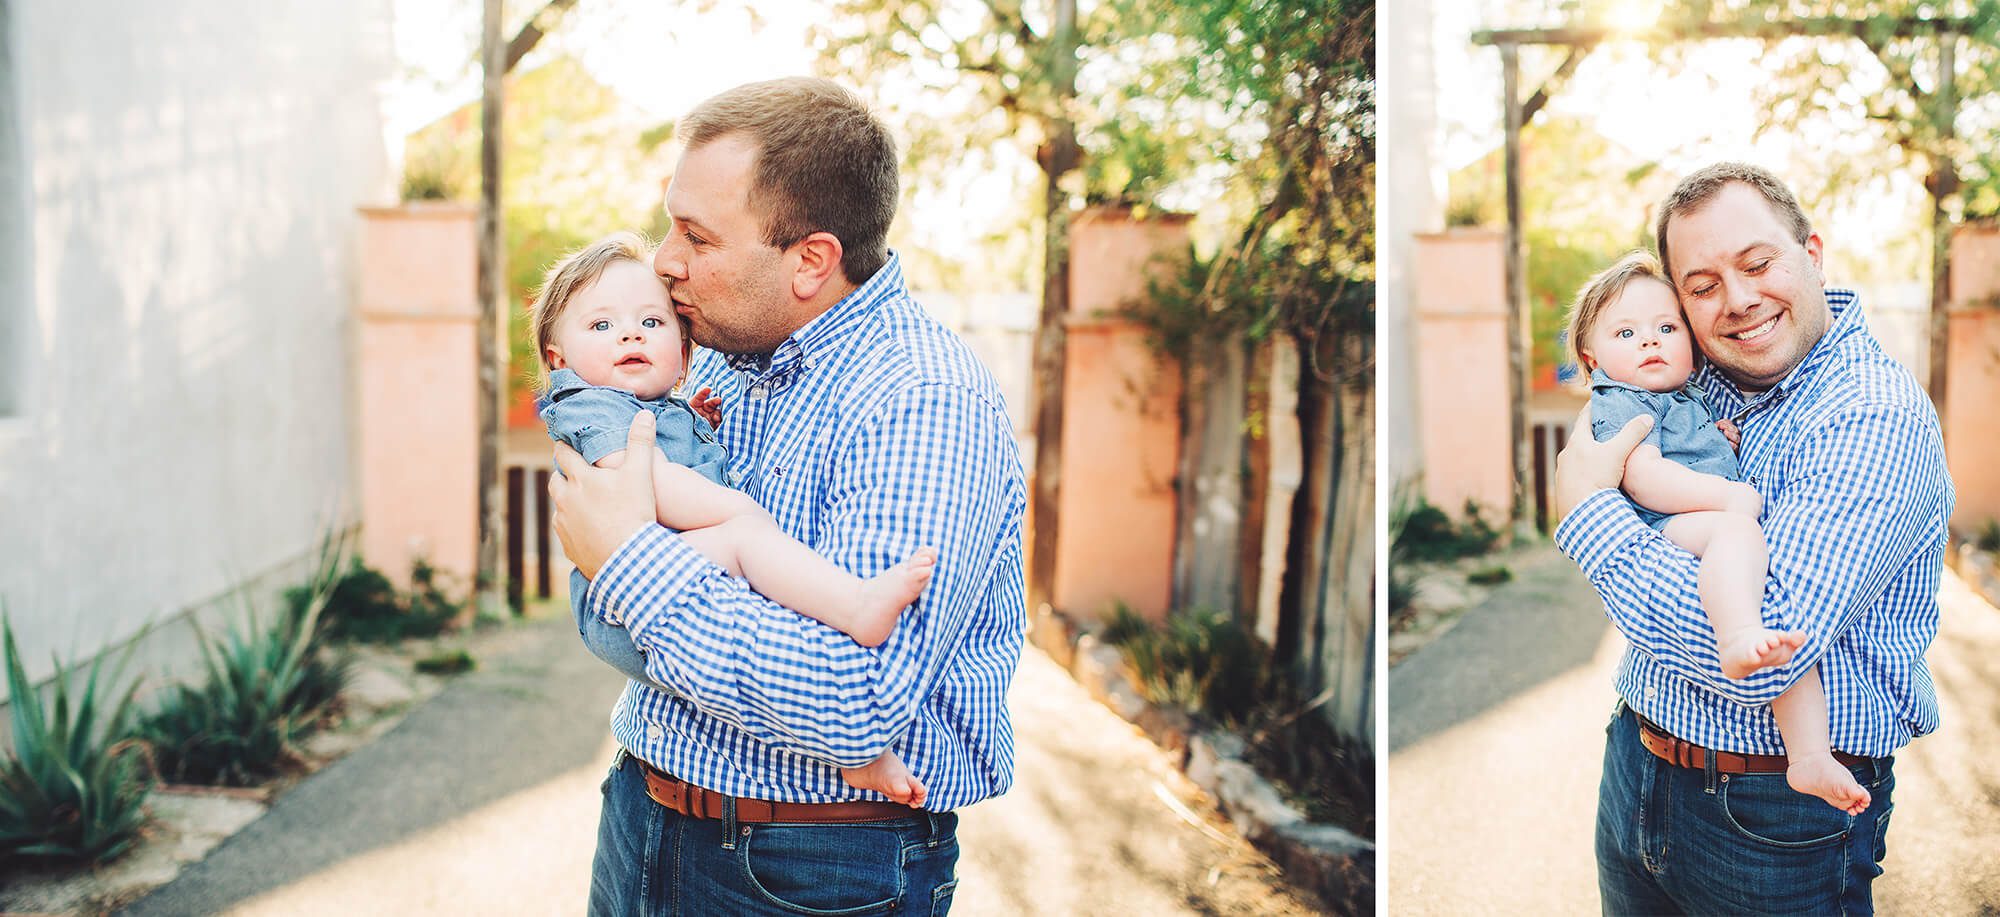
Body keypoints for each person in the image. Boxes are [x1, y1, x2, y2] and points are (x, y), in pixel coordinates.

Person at [548, 77, 1026, 916]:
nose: (664, 260)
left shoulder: (920, 400)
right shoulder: (725, 350)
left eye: (696, 235)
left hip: (807, 866)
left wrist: (628, 560)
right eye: (671, 223)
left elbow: (858, 701)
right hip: (644, 816)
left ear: (811, 260)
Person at [1553, 162, 1952, 915]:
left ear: (1813, 251)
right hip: (1638, 763)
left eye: (1758, 263)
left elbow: (1769, 657)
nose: (1737, 299)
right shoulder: (1695, 381)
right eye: (1700, 286)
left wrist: (1589, 515)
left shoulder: (1871, 413)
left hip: (1773, 818)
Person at [528, 229, 937, 807]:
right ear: (558, 358)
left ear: (681, 349)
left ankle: (861, 752)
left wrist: (691, 421)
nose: (628, 334)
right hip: (616, 604)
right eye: (601, 326)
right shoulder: (585, 403)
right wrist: (741, 510)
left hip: (652, 581)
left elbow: (662, 445)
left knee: (772, 601)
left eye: (652, 323)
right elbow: (647, 484)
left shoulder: (661, 405)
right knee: (749, 542)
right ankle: (859, 608)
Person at [1564, 249, 1868, 816]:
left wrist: (1717, 439)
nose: (1649, 342)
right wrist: (1727, 495)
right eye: (1626, 332)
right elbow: (1646, 476)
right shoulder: (1619, 403)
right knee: (1740, 540)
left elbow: (1687, 448)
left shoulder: (1687, 398)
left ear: (1690, 340)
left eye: (1665, 328)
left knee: (1783, 647)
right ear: (1593, 357)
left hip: (1690, 522)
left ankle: (1808, 754)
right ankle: (1734, 635)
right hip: (1667, 523)